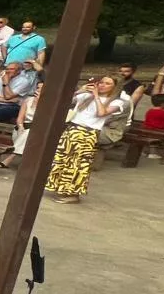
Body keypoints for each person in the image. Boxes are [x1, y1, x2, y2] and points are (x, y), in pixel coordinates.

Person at [45, 76, 127, 204]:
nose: (102, 85)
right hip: (72, 129)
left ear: (114, 87)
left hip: (88, 133)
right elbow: (63, 101)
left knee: (78, 164)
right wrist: (80, 91)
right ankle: (60, 188)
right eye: (101, 82)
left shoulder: (117, 102)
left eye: (107, 84)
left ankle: (73, 193)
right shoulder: (85, 97)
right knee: (63, 160)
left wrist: (96, 96)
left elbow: (101, 113)